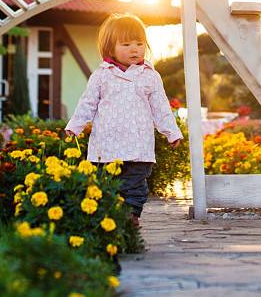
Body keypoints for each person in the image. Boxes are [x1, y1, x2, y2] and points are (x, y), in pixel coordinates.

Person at [64, 13, 183, 226]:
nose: (134, 49)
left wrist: (171, 132)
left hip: (139, 146)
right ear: (110, 47)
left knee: (135, 185)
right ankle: (109, 217)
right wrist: (75, 126)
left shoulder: (150, 76)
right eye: (126, 44)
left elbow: (161, 108)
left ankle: (131, 217)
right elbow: (87, 103)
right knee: (106, 184)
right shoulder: (101, 75)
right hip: (106, 146)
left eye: (139, 43)